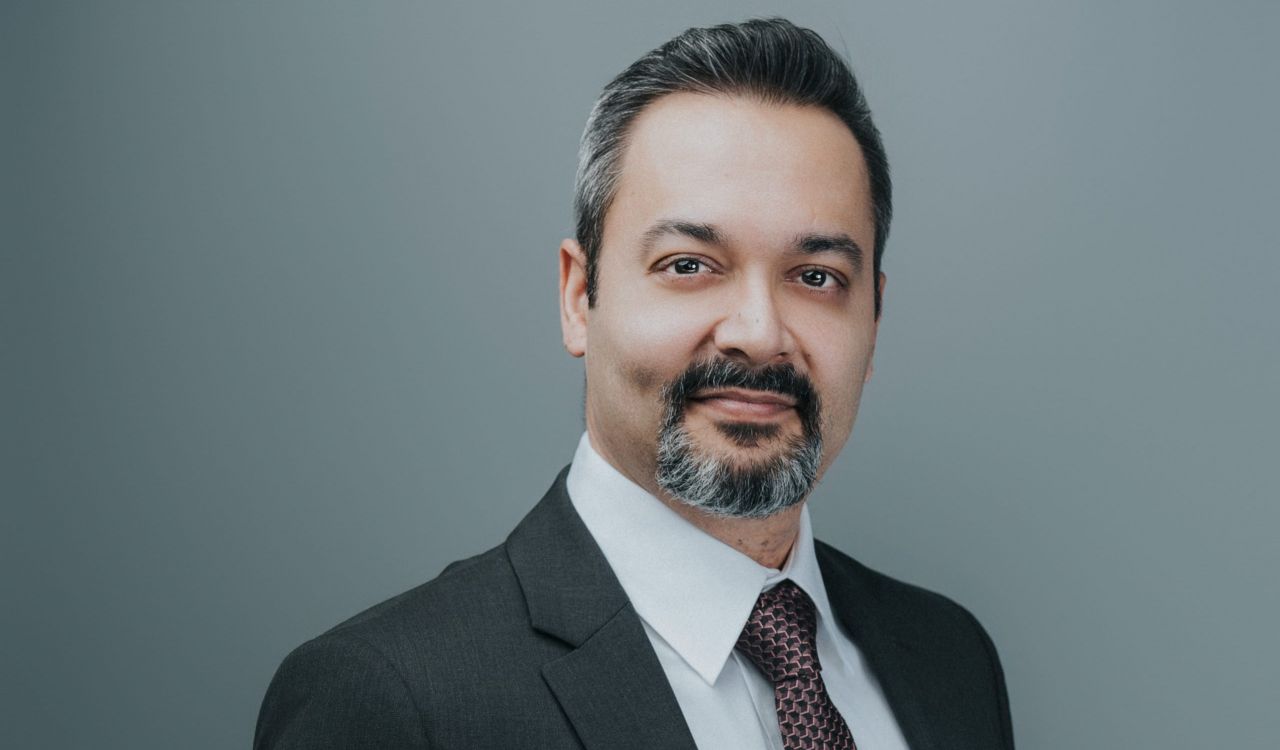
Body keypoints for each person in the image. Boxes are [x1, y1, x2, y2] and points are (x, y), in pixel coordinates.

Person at [255, 17, 1013, 750]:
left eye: (816, 277)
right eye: (689, 265)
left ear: (874, 321)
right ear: (578, 297)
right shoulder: (394, 702)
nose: (758, 331)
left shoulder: (948, 660)